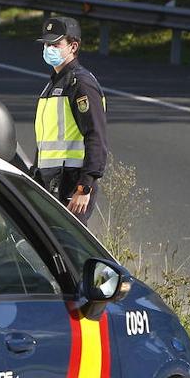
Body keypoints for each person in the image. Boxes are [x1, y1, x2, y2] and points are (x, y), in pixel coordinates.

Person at [32, 16, 108, 223]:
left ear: (73, 46)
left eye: (55, 44)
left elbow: (96, 135)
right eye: (46, 44)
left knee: (68, 249)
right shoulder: (53, 85)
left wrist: (85, 186)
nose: (48, 49)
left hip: (72, 183)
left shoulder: (80, 84)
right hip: (50, 181)